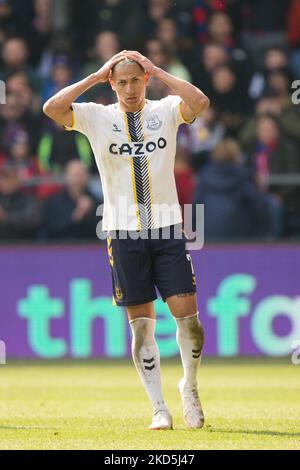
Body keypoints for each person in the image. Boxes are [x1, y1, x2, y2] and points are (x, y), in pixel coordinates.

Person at [43, 50, 209, 430]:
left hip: (167, 229)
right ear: (112, 84)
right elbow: (52, 108)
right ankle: (158, 407)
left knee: (190, 320)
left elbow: (199, 102)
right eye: (122, 82)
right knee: (141, 327)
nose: (130, 88)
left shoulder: (166, 110)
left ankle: (191, 386)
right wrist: (94, 77)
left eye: (137, 80)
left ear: (145, 80)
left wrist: (159, 70)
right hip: (123, 232)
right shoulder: (97, 117)